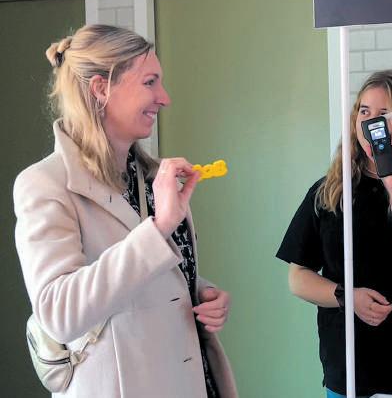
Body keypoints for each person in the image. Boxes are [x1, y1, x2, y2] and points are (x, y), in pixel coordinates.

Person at [13, 25, 237, 397]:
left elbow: (147, 276)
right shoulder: (44, 184)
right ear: (101, 89)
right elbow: (59, 312)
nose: (164, 98)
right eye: (150, 82)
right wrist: (159, 227)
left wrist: (201, 292)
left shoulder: (152, 178)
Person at [276, 70, 392, 397]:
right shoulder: (329, 192)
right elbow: (298, 277)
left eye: (384, 114)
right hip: (351, 368)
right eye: (364, 111)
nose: (370, 123)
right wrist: (346, 297)